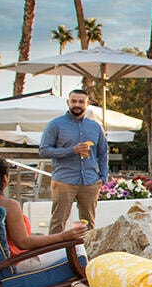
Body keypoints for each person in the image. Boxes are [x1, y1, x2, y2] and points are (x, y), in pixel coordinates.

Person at [0, 156, 87, 273]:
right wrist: (62, 237)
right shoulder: (8, 206)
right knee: (78, 248)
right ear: (5, 178)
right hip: (15, 263)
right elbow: (23, 243)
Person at [39, 89, 108, 234]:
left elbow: (102, 153)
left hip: (89, 181)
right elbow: (44, 150)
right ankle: (54, 255)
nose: (77, 104)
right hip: (64, 180)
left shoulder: (95, 127)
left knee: (88, 224)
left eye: (81, 102)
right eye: (74, 101)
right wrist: (72, 150)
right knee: (58, 222)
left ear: (87, 103)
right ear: (68, 102)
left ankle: (85, 253)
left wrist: (103, 177)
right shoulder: (55, 124)